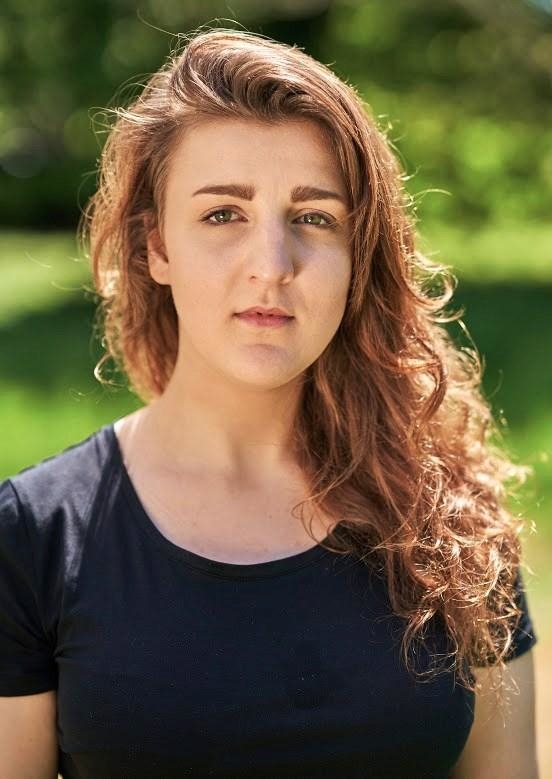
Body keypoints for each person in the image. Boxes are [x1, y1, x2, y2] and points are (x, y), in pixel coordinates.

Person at [0, 28, 538, 779]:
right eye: (223, 214)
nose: (272, 265)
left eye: (314, 218)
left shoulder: (453, 520)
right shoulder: (32, 536)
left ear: (358, 255)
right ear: (157, 247)